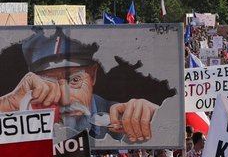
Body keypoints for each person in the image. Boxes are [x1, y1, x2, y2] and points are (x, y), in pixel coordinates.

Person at [0, 27, 161, 142]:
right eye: (49, 83)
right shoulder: (27, 121)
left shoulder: (118, 118)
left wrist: (156, 117)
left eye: (75, 80)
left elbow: (161, 131)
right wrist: (6, 106)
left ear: (92, 75)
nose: (65, 99)